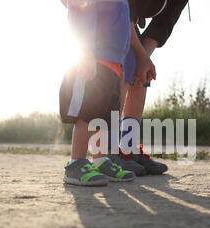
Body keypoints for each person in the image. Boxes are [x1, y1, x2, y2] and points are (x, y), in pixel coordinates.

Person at [108, 0, 190, 176]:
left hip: (128, 16)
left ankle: (127, 149)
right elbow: (124, 9)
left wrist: (143, 58)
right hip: (103, 9)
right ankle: (109, 150)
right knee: (124, 65)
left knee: (139, 71)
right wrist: (138, 56)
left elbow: (163, 24)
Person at [59, 0, 136, 186]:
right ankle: (75, 163)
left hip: (114, 63)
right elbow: (80, 9)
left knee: (103, 118)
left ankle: (100, 161)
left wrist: (120, 63)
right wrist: (85, 51)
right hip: (94, 59)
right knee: (87, 112)